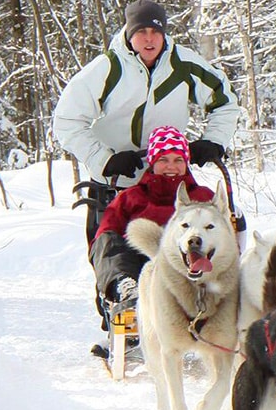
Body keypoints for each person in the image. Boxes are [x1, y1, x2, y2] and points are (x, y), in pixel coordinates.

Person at [52, 0, 238, 246]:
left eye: (155, 32)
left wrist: (213, 141)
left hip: (168, 182)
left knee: (179, 260)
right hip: (115, 182)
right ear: (129, 34)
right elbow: (67, 119)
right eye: (141, 32)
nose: (149, 39)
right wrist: (104, 159)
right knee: (110, 252)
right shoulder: (108, 68)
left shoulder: (183, 65)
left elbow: (225, 101)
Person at [89, 126, 216, 323]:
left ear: (187, 162)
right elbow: (106, 235)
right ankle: (126, 288)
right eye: (163, 160)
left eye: (178, 160)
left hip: (190, 268)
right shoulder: (130, 197)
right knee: (109, 239)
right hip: (138, 266)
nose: (171, 166)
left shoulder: (203, 197)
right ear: (152, 163)